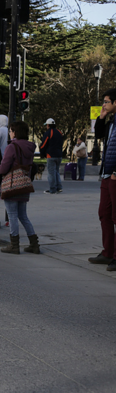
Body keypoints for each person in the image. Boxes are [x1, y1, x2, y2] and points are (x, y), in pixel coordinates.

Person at [0, 120, 40, 254]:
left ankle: (14, 244)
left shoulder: (12, 147)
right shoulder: (30, 147)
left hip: (12, 184)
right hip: (24, 183)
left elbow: (3, 168)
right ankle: (34, 243)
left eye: (10, 131)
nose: (9, 133)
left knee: (12, 215)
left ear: (15, 132)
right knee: (23, 215)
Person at [91, 88, 116, 270]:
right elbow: (98, 134)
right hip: (107, 174)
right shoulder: (111, 122)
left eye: (106, 102)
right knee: (104, 214)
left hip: (115, 175)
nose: (104, 105)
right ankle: (108, 252)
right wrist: (101, 117)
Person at [40, 118, 64, 194]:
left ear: (48, 125)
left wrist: (42, 152)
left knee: (51, 173)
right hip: (59, 155)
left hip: (51, 155)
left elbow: (44, 144)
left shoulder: (48, 133)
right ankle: (59, 187)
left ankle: (52, 189)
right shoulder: (59, 132)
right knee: (56, 171)